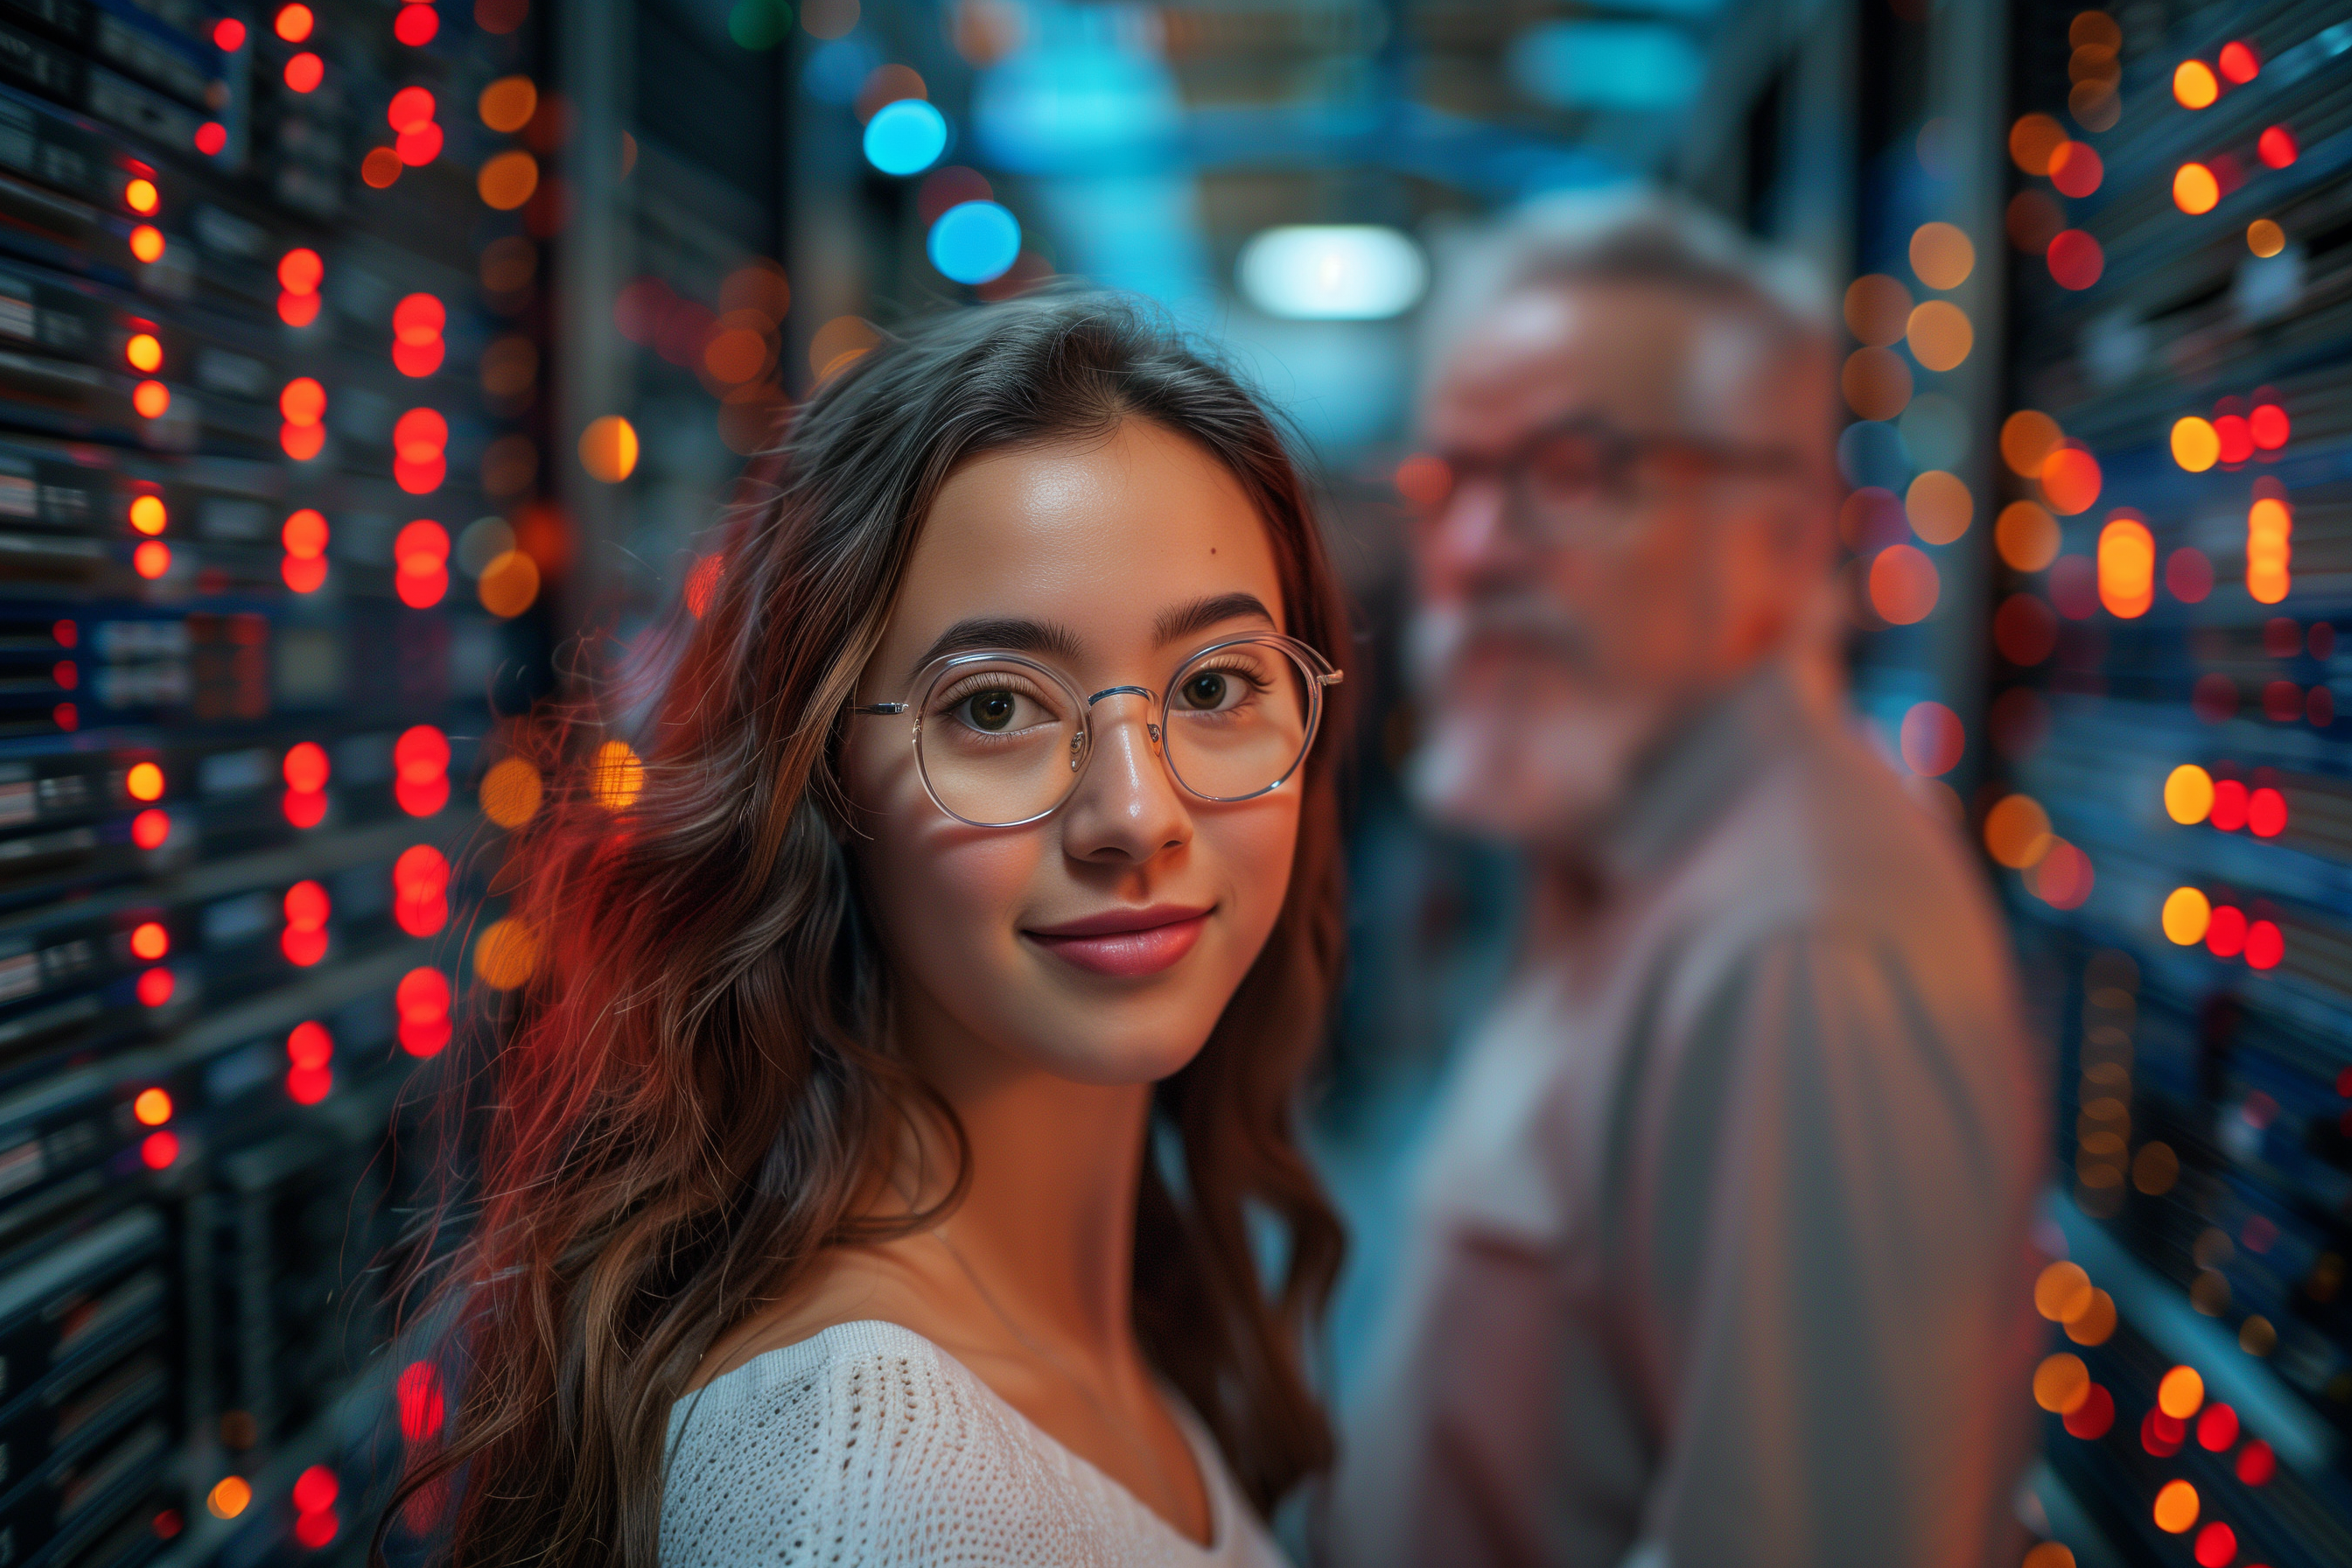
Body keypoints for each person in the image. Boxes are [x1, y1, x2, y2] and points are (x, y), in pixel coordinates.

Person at [385, 295, 1354, 1567]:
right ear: (820, 785)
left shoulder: (1108, 1311)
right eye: (997, 706)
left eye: (1218, 687)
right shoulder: (863, 1484)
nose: (1136, 813)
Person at [1327, 192, 2048, 1568]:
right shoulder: (1614, 843)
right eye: (1452, 479)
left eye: (1575, 474)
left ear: (1780, 535)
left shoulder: (1798, 949)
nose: (1473, 554)